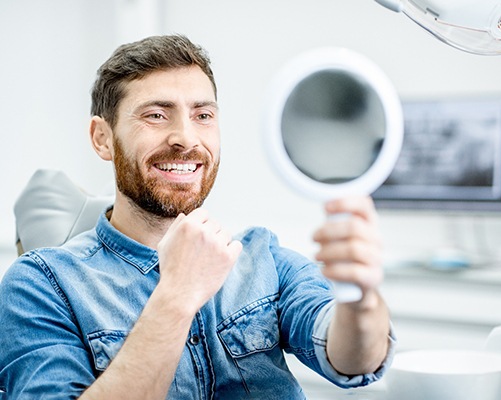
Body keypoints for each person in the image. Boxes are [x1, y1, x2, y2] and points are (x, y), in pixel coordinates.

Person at [0, 34, 395, 399]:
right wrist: (177, 295)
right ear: (103, 138)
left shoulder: (262, 257)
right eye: (156, 115)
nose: (186, 138)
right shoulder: (41, 284)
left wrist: (359, 298)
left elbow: (354, 360)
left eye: (203, 115)